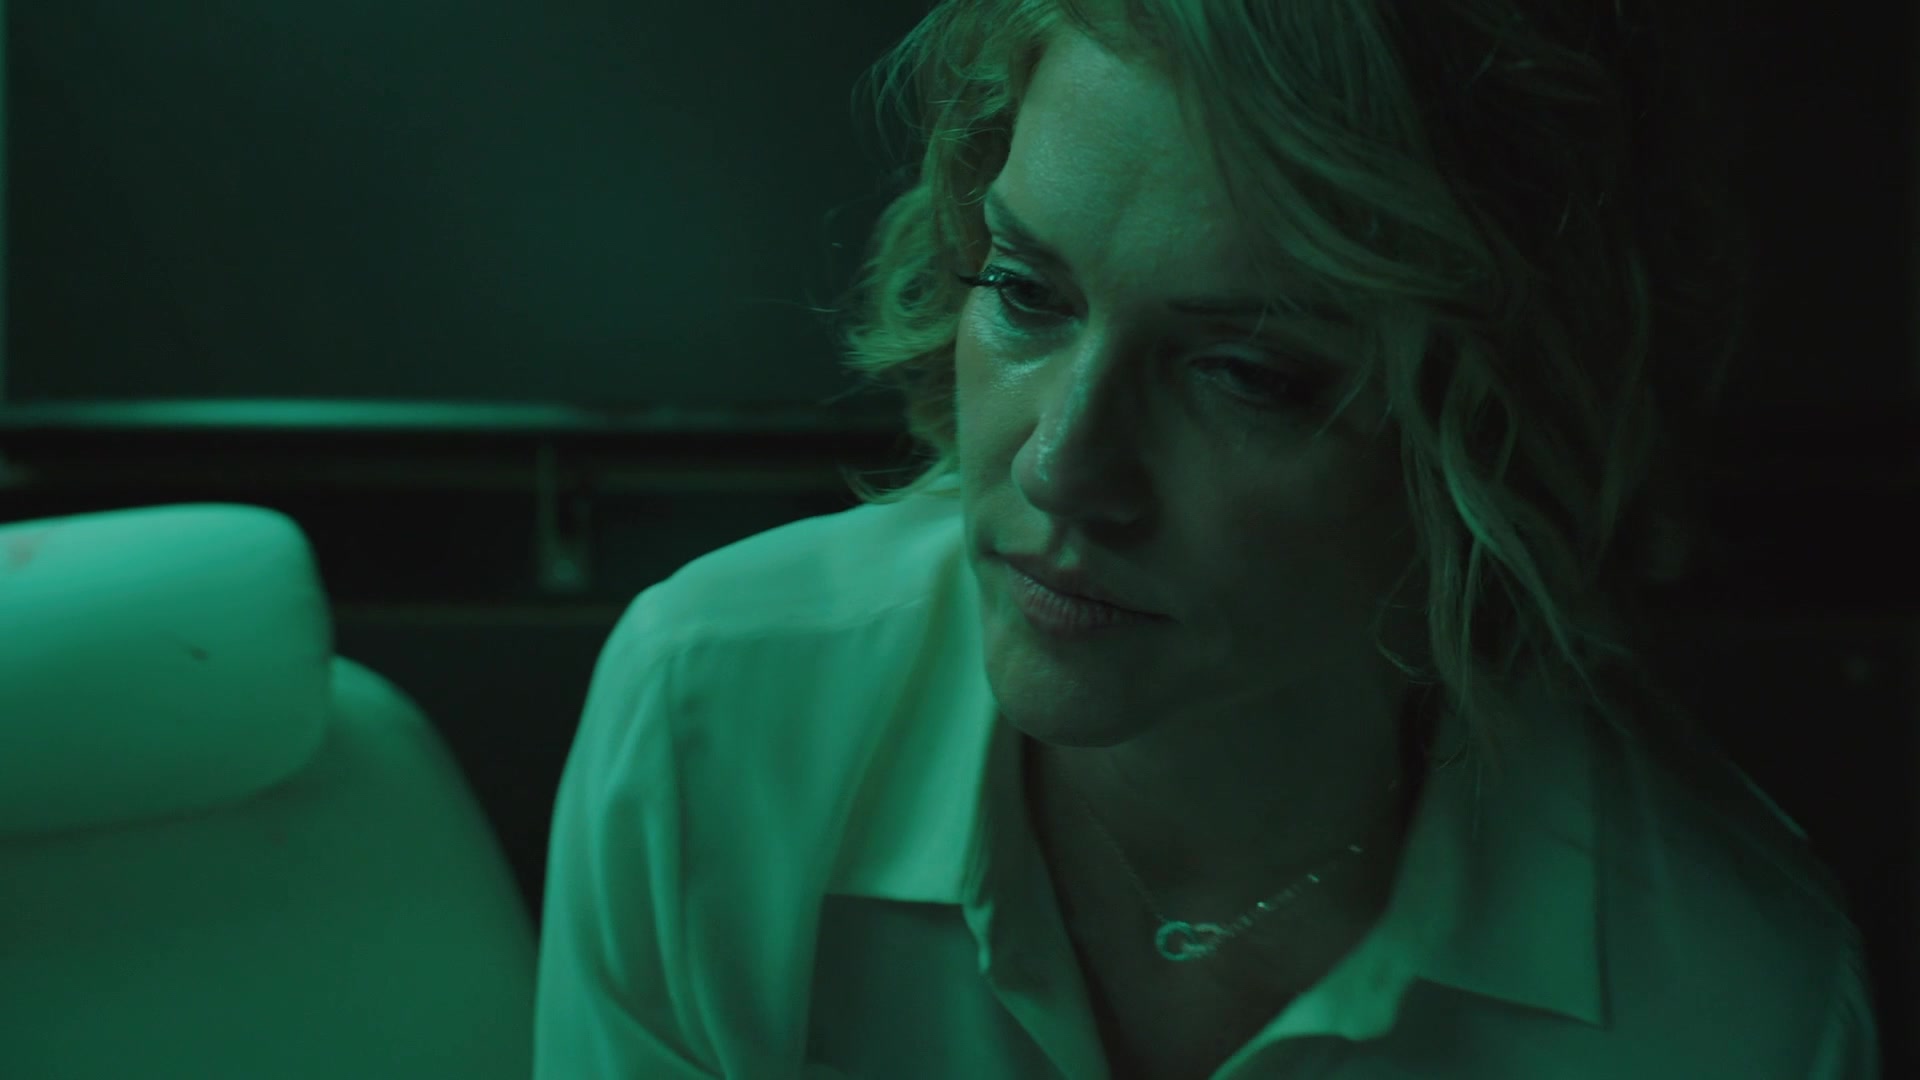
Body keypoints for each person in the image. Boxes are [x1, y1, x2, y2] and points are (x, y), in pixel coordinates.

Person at [533, 2, 1882, 1077]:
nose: (1065, 467)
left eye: (1246, 372)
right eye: (1025, 291)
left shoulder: (1725, 1005)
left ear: (1484, 437)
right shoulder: (716, 719)